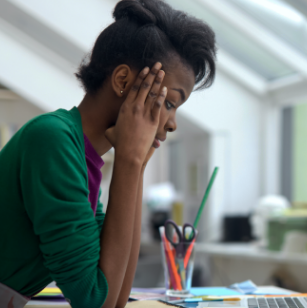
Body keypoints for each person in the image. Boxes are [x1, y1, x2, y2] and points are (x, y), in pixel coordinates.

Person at [0, 0, 216, 307]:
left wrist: (137, 165)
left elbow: (115, 295)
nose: (172, 124)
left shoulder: (81, 158)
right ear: (123, 81)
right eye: (169, 103)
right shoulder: (52, 140)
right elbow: (96, 302)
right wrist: (129, 161)